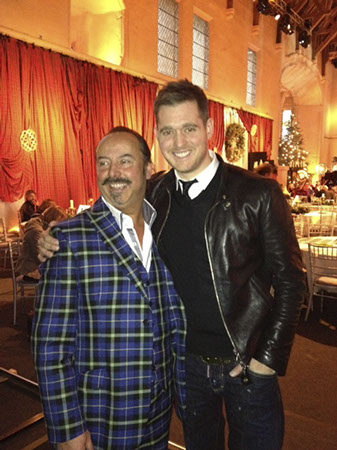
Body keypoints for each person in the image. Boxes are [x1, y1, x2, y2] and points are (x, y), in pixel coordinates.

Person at [38, 81, 305, 450]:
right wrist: (52, 235)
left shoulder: (258, 194)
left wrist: (265, 361)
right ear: (157, 136)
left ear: (209, 129)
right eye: (167, 131)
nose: (178, 142)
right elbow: (112, 205)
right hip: (188, 370)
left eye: (189, 128)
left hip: (247, 367)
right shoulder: (157, 194)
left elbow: (293, 283)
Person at [32, 127, 186, 449]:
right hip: (99, 417)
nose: (113, 173)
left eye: (125, 161)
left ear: (146, 169)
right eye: (104, 163)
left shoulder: (167, 232)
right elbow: (50, 347)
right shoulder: (69, 239)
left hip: (158, 417)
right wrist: (68, 429)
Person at [15, 204, 67, 280]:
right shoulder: (36, 231)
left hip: (36, 265)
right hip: (30, 269)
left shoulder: (43, 226)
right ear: (52, 219)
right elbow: (41, 255)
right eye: (59, 221)